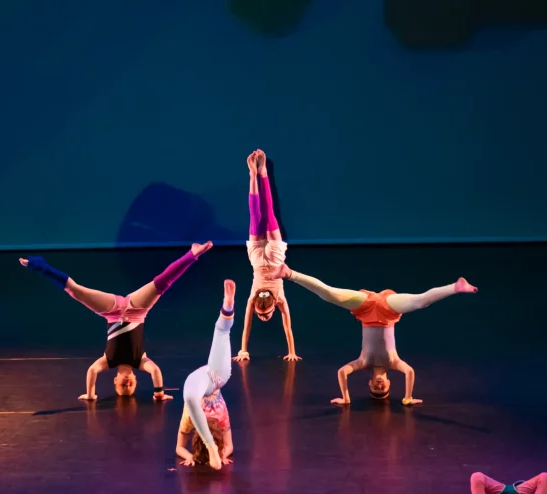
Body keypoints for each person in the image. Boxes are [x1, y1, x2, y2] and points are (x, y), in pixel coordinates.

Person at [20, 243, 212, 401]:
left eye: (123, 385)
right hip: (137, 310)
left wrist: (90, 394)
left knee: (75, 291)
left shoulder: (108, 361)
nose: (127, 382)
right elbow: (155, 371)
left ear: (115, 380)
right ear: (135, 379)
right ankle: (192, 254)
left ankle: (41, 266)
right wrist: (159, 393)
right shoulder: (140, 361)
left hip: (111, 311)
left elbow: (92, 370)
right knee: (162, 283)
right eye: (131, 385)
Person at [267, 264, 477, 404]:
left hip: (365, 309)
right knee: (420, 301)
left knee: (330, 295)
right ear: (388, 383)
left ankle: (289, 273)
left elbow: (342, 372)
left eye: (375, 389)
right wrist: (408, 397)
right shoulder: (394, 362)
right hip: (388, 311)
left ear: (369, 383)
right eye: (382, 388)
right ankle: (455, 287)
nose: (379, 385)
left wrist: (346, 397)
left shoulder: (363, 362)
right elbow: (410, 372)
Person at [234, 149, 300, 363]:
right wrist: (290, 351)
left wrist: (244, 350)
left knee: (266, 212)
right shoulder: (256, 300)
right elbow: (248, 326)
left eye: (262, 315)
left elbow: (286, 326)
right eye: (265, 315)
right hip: (258, 258)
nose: (263, 317)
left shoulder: (279, 300)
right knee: (261, 213)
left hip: (273, 257)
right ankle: (255, 174)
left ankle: (260, 174)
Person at [176, 279, 237, 470]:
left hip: (216, 374)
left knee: (222, 332)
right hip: (217, 376)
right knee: (221, 332)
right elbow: (229, 446)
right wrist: (221, 452)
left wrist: (191, 455)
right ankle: (211, 447)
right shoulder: (221, 417)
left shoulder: (189, 419)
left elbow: (179, 447)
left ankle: (228, 307)